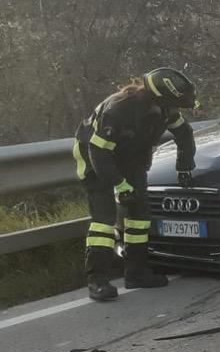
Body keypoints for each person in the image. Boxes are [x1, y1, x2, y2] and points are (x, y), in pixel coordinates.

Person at [74, 68, 197, 302]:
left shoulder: (165, 109)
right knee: (103, 221)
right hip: (95, 159)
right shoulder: (119, 110)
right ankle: (97, 281)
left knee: (140, 216)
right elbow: (98, 152)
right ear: (161, 97)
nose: (175, 110)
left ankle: (136, 272)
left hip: (131, 157)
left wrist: (184, 167)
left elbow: (184, 133)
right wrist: (119, 185)